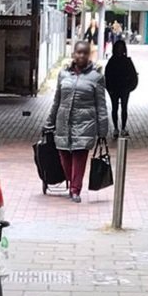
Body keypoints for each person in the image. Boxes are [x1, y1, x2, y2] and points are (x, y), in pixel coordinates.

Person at [47, 38, 109, 203]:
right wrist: (49, 122)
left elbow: (101, 105)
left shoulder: (96, 77)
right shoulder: (63, 74)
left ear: (89, 55)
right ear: (73, 54)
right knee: (64, 156)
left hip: (85, 124)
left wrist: (103, 130)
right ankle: (71, 182)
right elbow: (57, 101)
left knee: (79, 157)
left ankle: (75, 190)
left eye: (85, 53)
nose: (81, 56)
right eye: (78, 52)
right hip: (63, 123)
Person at [104, 37, 138, 137]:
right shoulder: (112, 61)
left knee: (124, 108)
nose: (119, 50)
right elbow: (107, 76)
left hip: (124, 89)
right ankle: (115, 128)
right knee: (114, 108)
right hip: (114, 89)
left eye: (121, 48)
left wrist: (130, 87)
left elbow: (133, 75)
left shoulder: (127, 61)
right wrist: (109, 88)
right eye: (118, 48)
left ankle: (123, 127)